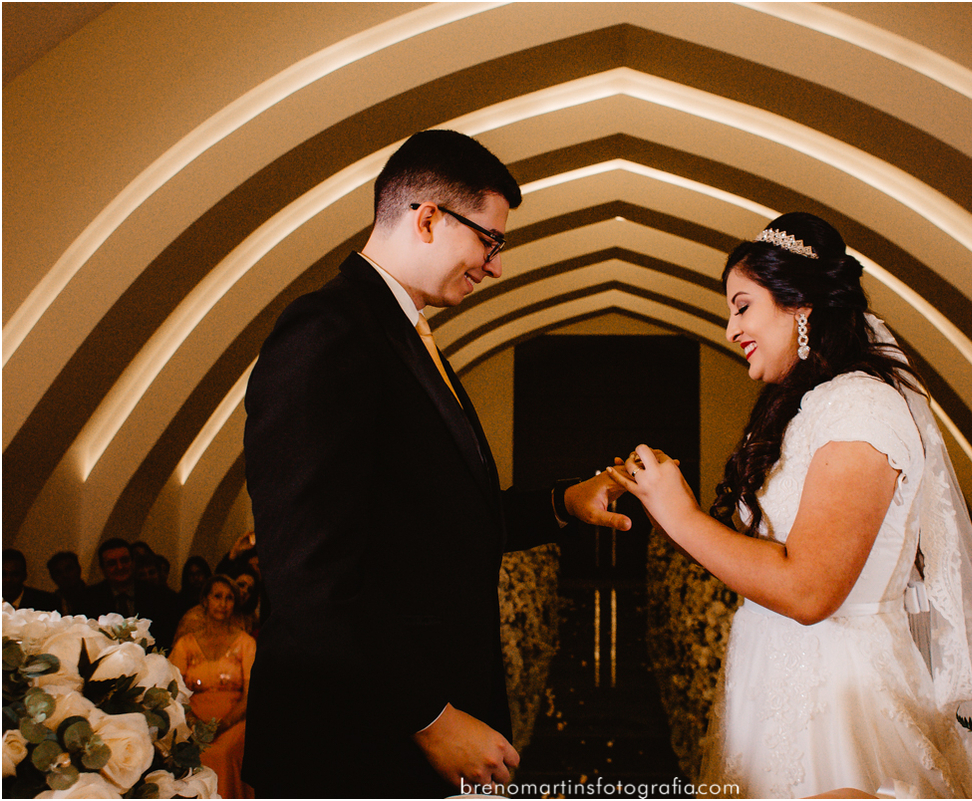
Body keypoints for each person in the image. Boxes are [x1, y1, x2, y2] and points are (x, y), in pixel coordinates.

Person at [242, 129, 630, 798]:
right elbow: (310, 574)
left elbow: (438, 525)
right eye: (490, 240)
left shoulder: (409, 337)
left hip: (410, 721)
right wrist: (429, 715)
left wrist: (564, 501)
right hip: (357, 741)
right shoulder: (328, 331)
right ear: (427, 217)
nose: (496, 265)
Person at [607, 212, 972, 797]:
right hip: (778, 676)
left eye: (741, 306)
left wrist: (679, 516)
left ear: (800, 304)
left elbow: (809, 592)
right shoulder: (808, 408)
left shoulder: (860, 408)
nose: (730, 328)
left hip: (835, 696)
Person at [169, 575, 256, 799]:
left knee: (220, 753)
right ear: (205, 600)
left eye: (229, 598)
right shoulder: (186, 644)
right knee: (189, 749)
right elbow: (172, 691)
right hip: (192, 719)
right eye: (217, 596)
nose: (223, 603)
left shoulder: (246, 643)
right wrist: (193, 723)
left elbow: (251, 694)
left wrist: (223, 724)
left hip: (235, 721)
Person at [80, 538, 182, 643]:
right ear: (102, 569)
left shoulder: (158, 596)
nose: (119, 567)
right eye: (112, 563)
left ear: (133, 563)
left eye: (124, 561)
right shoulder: (89, 600)